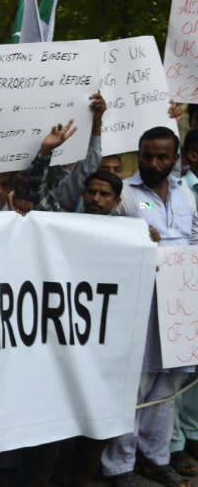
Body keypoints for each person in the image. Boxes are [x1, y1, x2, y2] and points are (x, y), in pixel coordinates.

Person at [101, 126, 197, 487]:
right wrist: (136, 240)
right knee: (134, 386)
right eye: (147, 155)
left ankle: (155, 459)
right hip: (138, 302)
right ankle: (119, 465)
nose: (154, 163)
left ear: (176, 158)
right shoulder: (124, 192)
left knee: (167, 385)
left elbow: (195, 238)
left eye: (162, 156)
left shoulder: (184, 192)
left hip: (179, 305)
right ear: (138, 155)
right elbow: (106, 239)